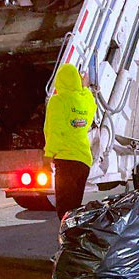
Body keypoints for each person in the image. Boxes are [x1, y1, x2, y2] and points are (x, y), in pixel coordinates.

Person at [43, 64, 96, 219]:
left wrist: (48, 154)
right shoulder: (85, 101)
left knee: (65, 211)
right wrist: (84, 87)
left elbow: (54, 131)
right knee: (74, 209)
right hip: (83, 161)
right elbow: (92, 104)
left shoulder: (57, 102)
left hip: (66, 162)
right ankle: (75, 240)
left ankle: (69, 240)